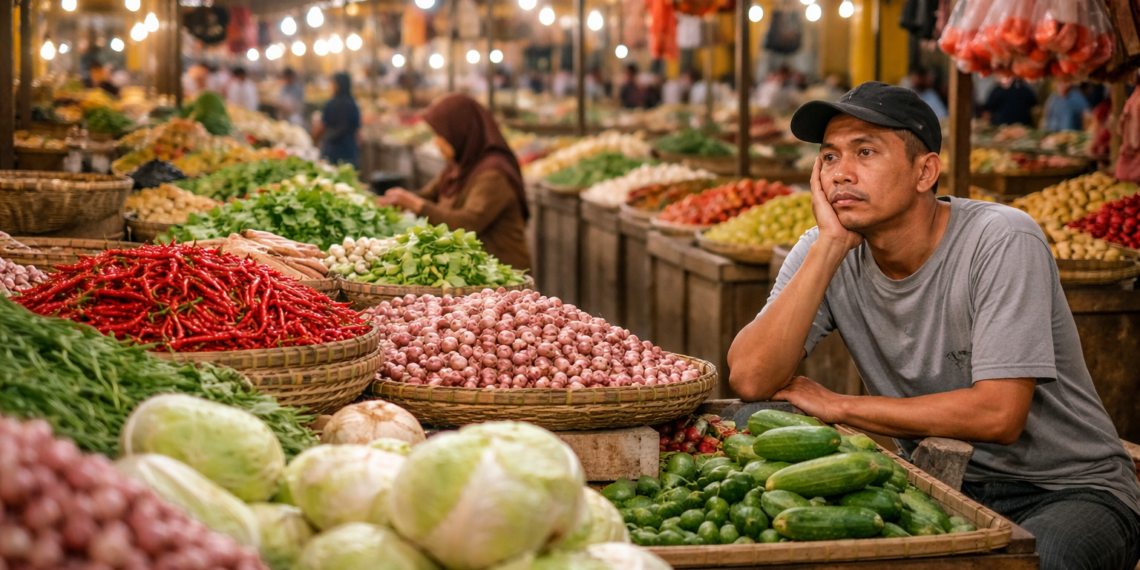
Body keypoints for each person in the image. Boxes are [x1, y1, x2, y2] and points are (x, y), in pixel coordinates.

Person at [727, 81, 1140, 570]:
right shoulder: (827, 245)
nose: (841, 175)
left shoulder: (1002, 238)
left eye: (865, 151)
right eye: (830, 157)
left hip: (1063, 490)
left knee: (1040, 563)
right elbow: (751, 379)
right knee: (744, 422)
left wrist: (839, 406)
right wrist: (829, 247)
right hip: (931, 479)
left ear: (925, 172)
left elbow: (998, 415)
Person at [377, 94, 531, 271]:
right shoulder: (460, 164)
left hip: (501, 275)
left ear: (461, 130)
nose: (436, 142)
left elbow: (468, 223)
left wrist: (414, 204)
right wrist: (392, 201)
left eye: (441, 135)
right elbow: (429, 195)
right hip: (471, 268)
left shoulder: (494, 173)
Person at [313, 72, 361, 168]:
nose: (331, 86)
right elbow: (358, 132)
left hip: (332, 151)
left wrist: (314, 139)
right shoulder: (353, 104)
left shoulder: (331, 104)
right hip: (349, 151)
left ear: (337, 85)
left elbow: (322, 127)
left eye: (333, 83)